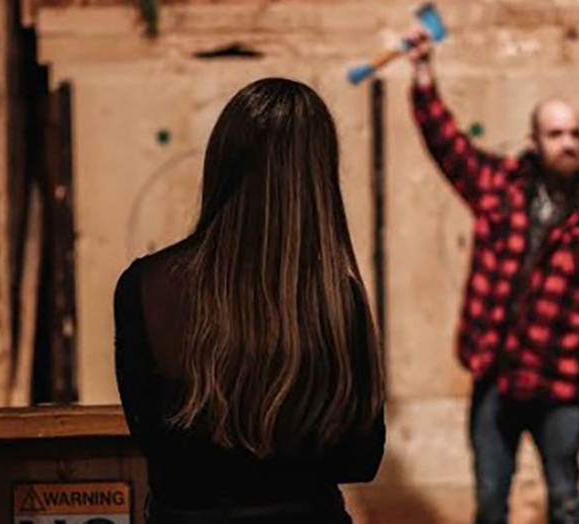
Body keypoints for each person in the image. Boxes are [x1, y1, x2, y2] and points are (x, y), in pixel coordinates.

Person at [114, 78, 386, 524]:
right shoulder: (336, 298)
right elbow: (361, 458)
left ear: (221, 160)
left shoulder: (145, 286)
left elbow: (151, 440)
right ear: (317, 179)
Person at [403, 27, 579, 524]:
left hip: (560, 383)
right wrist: (423, 73)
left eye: (575, 133)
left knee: (566, 501)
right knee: (490, 501)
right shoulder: (500, 188)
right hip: (495, 375)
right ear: (535, 140)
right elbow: (448, 145)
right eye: (556, 134)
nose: (569, 143)